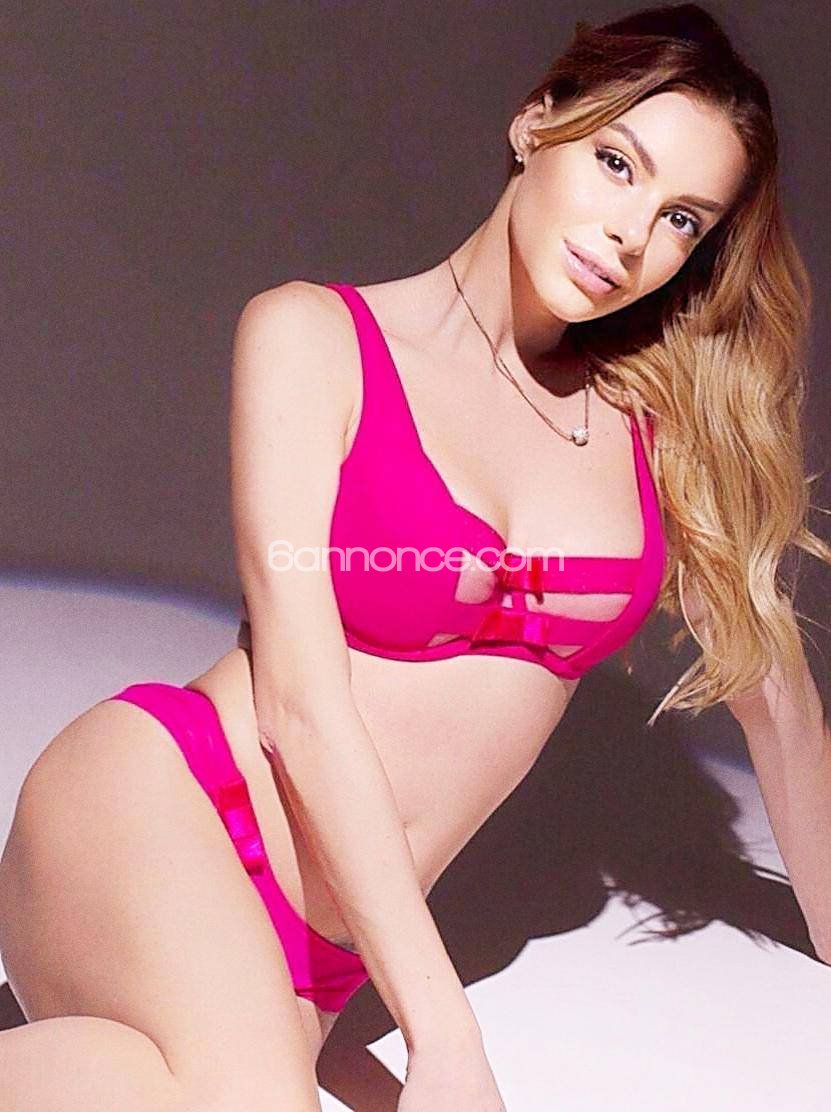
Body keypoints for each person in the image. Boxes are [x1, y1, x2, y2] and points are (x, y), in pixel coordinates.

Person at [2, 4, 829, 1110]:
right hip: (168, 812)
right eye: (615, 163)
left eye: (680, 218)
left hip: (332, 954)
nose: (631, 233)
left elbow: (780, 707)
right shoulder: (314, 337)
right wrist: (446, 1033)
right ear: (537, 122)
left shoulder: (655, 430)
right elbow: (298, 703)